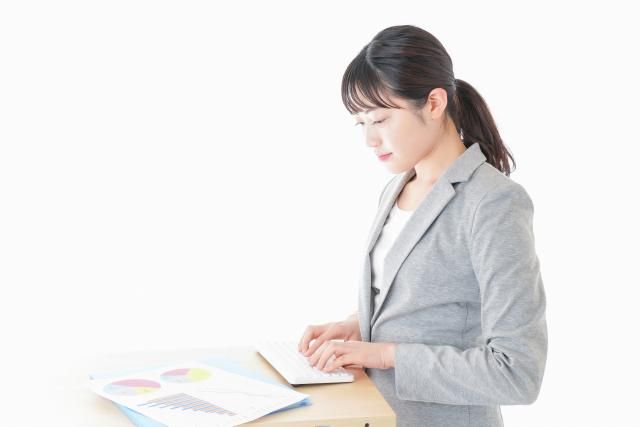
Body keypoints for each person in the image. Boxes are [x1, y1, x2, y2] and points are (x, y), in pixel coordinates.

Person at [297, 25, 547, 427]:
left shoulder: (493, 202)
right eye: (361, 123)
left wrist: (383, 354)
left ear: (434, 103)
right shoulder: (398, 187)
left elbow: (517, 373)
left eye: (381, 119)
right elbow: (417, 301)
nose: (370, 140)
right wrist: (356, 326)